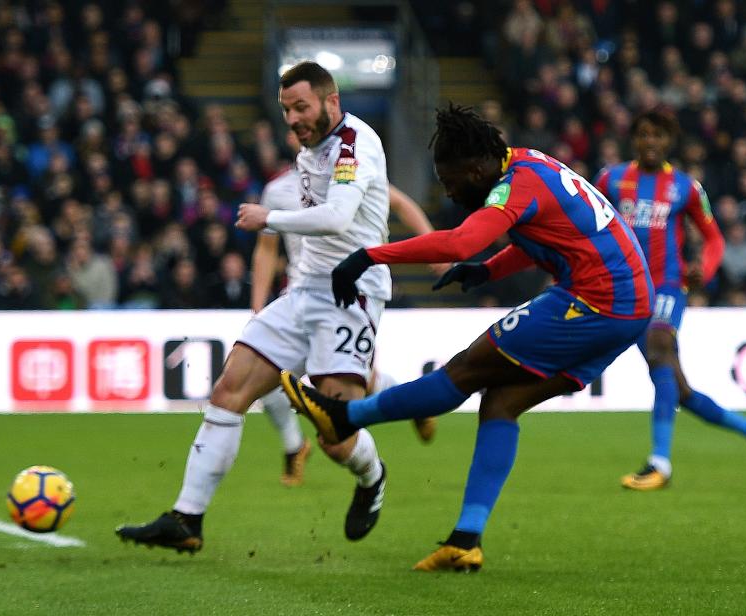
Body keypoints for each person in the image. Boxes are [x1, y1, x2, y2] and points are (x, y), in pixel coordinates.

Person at [279, 103, 654, 572]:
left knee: (466, 368)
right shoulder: (529, 164)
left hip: (598, 300)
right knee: (500, 402)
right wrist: (489, 270)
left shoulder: (516, 184)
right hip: (629, 308)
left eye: (452, 181)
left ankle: (345, 416)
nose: (451, 193)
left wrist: (370, 255)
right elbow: (548, 234)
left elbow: (458, 241)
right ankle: (465, 539)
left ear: (477, 168)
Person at [116, 61, 397, 553]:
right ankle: (187, 519)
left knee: (334, 432)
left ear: (332, 101)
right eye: (286, 110)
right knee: (229, 390)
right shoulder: (311, 146)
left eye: (302, 107)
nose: (293, 119)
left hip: (351, 293)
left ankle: (372, 477)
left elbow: (339, 218)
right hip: (306, 288)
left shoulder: (354, 144)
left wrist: (272, 218)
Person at [594, 110, 746, 490]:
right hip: (624, 291)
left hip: (667, 288)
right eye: (644, 134)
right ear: (634, 139)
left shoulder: (685, 188)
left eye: (658, 135)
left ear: (668, 142)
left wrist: (704, 271)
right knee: (678, 388)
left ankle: (660, 462)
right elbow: (590, 225)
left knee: (661, 349)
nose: (650, 141)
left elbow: (714, 240)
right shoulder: (611, 180)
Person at [251, 133, 440, 486]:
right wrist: (257, 305)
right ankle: (295, 448)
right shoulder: (277, 191)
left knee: (358, 384)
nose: (298, 131)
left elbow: (399, 203)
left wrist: (430, 244)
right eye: (291, 125)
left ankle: (414, 404)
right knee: (266, 377)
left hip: (348, 295)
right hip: (299, 295)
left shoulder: (348, 173)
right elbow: (266, 250)